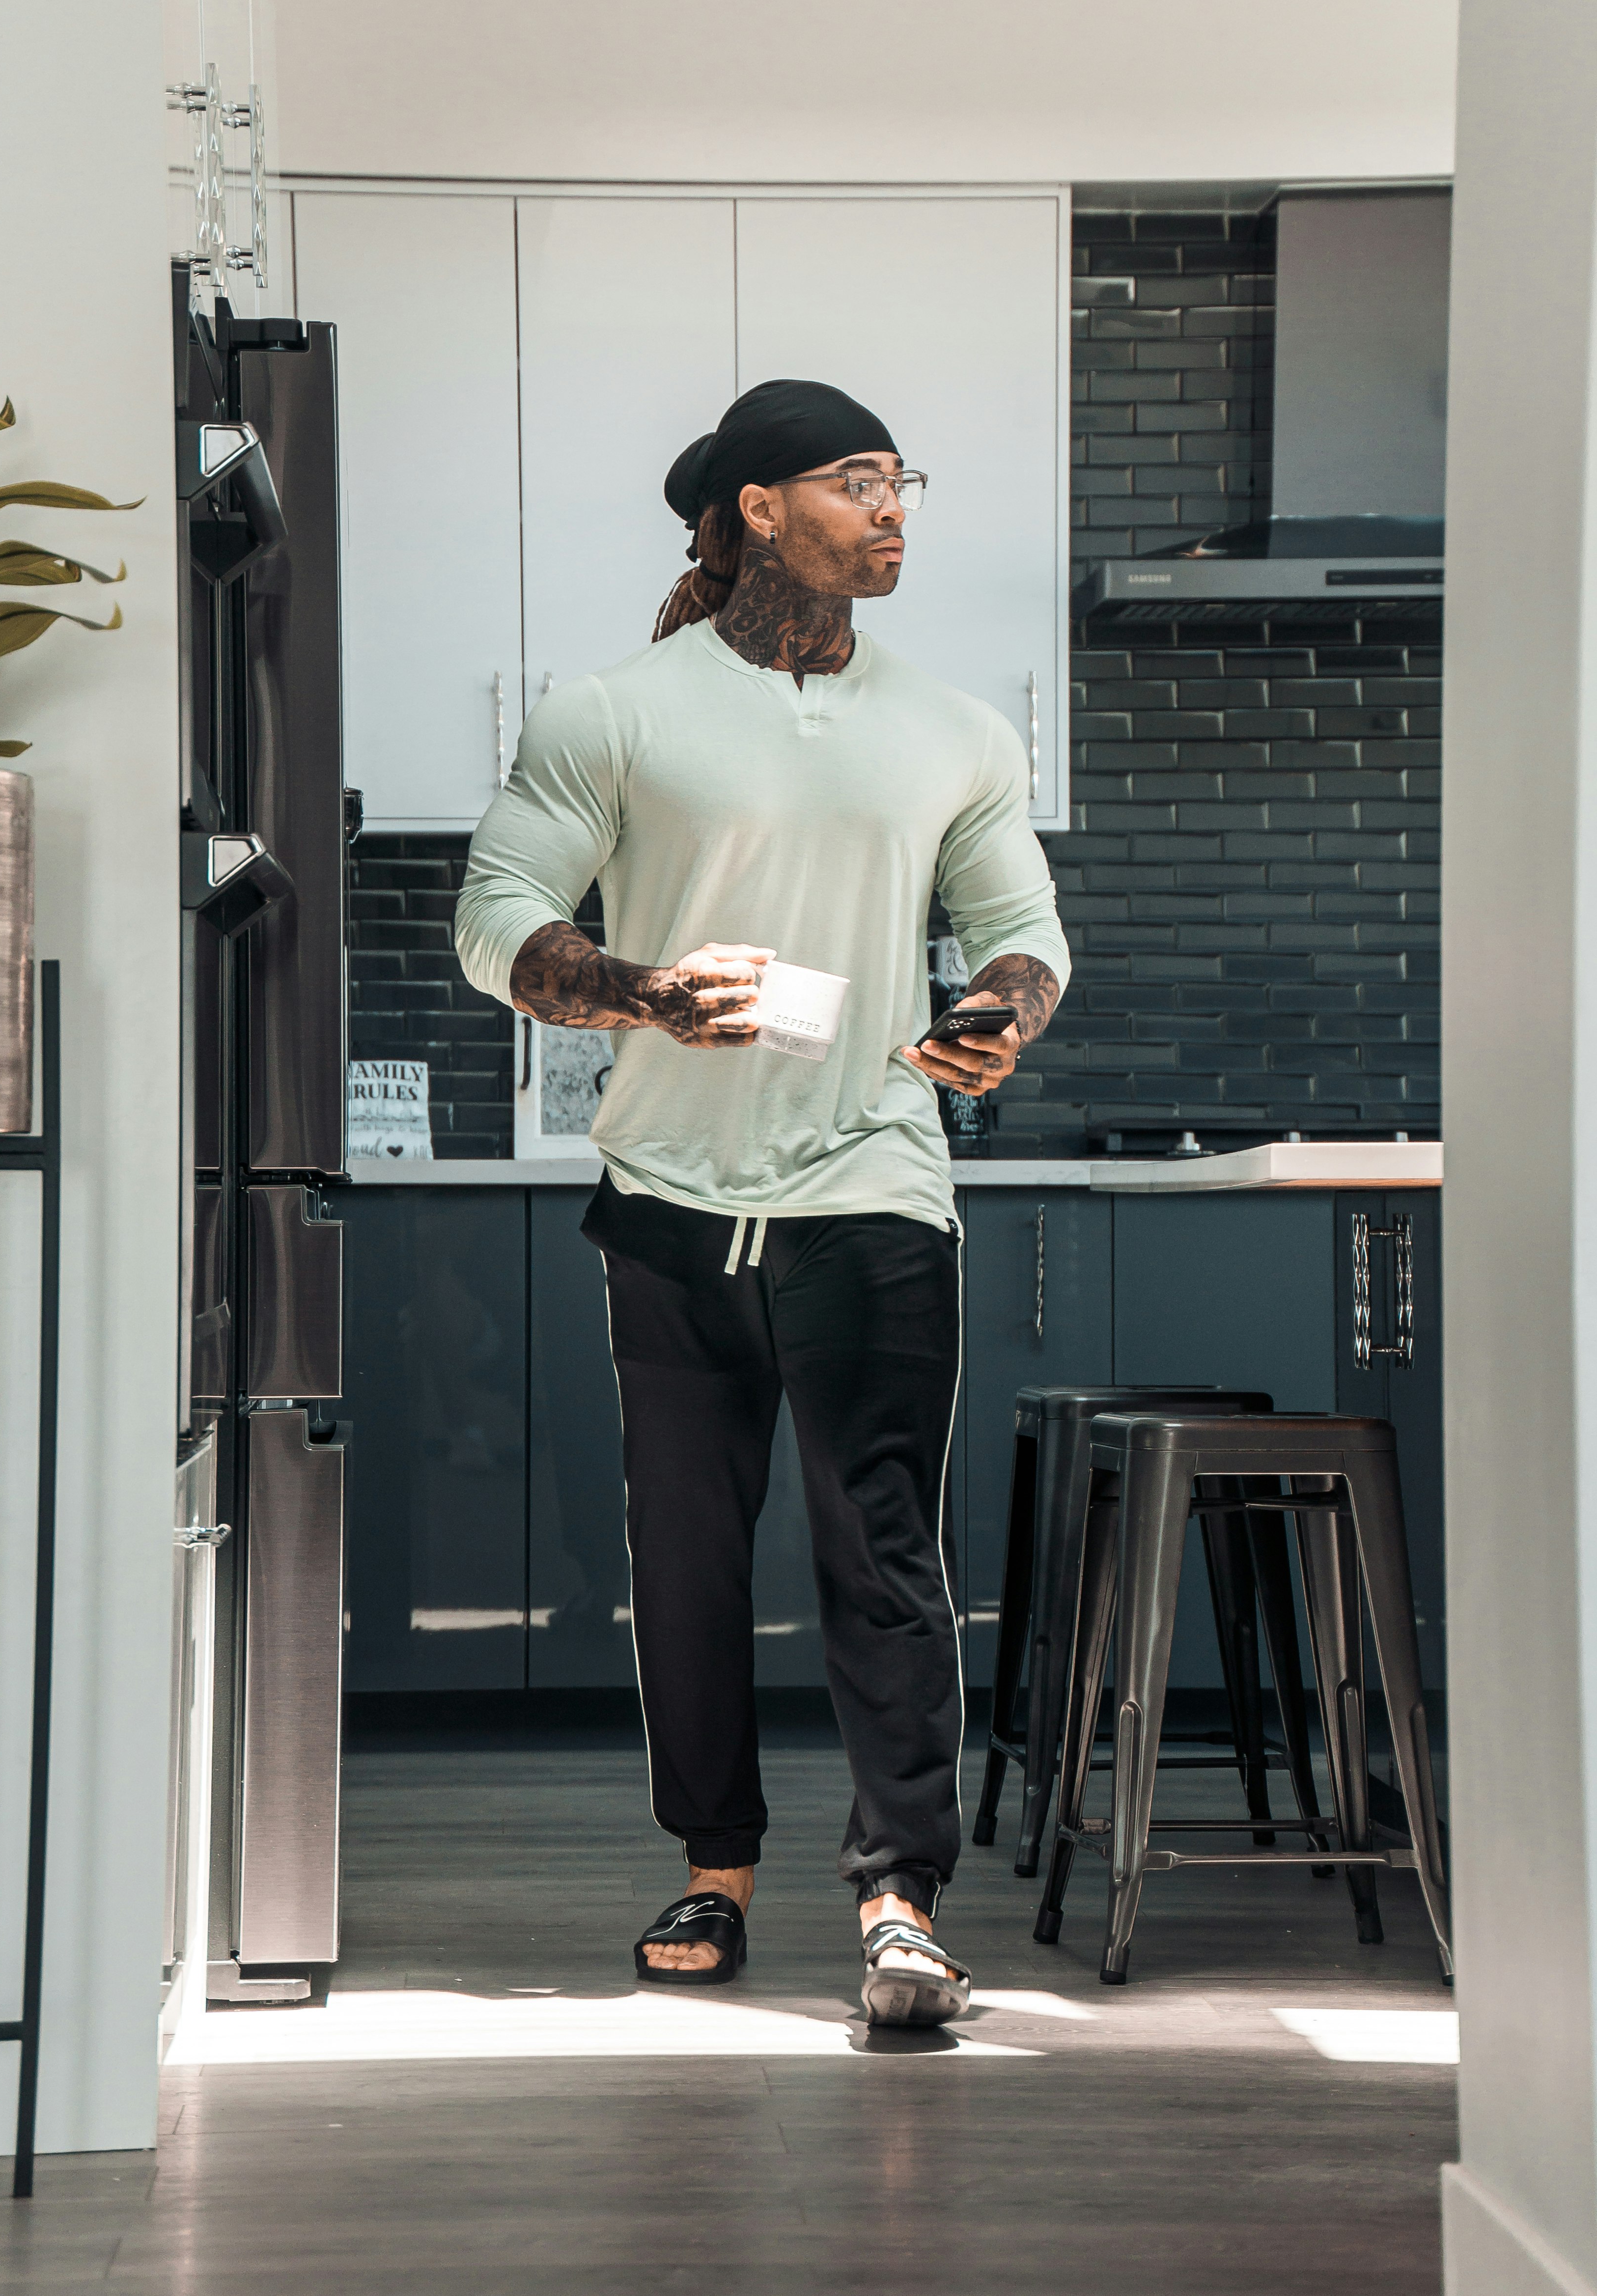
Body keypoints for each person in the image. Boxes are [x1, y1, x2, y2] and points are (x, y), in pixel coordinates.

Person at [454, 379, 1068, 2026]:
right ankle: (714, 1871)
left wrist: (999, 1015)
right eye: (856, 482)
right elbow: (497, 909)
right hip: (667, 1202)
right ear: (754, 510)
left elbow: (1025, 930)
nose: (893, 510)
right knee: (689, 1559)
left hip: (872, 1190)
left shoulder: (955, 730)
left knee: (880, 1547)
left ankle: (900, 1898)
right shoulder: (615, 712)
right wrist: (640, 989)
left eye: (900, 481)